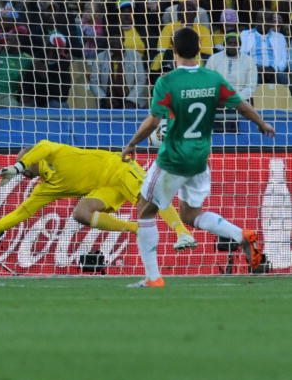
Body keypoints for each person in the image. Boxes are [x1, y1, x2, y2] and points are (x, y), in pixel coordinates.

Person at [121, 27, 275, 288]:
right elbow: (241, 105)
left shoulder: (167, 82)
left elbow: (153, 120)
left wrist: (132, 143)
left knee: (145, 210)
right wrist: (262, 124)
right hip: (200, 160)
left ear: (174, 50)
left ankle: (153, 278)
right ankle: (241, 235)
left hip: (172, 160)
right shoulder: (213, 78)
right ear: (200, 50)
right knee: (191, 215)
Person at [0, 139, 197, 253]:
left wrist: (18, 167)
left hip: (119, 168)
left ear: (32, 159)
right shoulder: (46, 188)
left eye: (25, 160)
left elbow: (43, 145)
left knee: (151, 199)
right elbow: (23, 212)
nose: (22, 166)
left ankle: (182, 233)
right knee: (81, 213)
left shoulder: (54, 153)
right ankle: (137, 229)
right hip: (105, 187)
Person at [206, 32, 257, 132]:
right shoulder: (214, 59)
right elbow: (208, 82)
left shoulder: (249, 61)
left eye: (235, 43)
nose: (233, 46)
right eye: (230, 43)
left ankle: (233, 136)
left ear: (240, 45)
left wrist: (235, 97)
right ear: (224, 45)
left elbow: (251, 86)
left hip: (241, 98)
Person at [89, 33, 147, 109]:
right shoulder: (100, 57)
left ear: (122, 39)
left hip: (133, 101)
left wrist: (131, 100)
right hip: (108, 102)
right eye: (112, 38)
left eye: (117, 38)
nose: (115, 41)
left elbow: (141, 80)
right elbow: (94, 82)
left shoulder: (134, 55)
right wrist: (103, 98)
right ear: (108, 41)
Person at [240, 11, 289, 85]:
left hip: (273, 71)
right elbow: (241, 56)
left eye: (268, 19)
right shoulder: (245, 34)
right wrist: (254, 68)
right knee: (253, 79)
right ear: (256, 21)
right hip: (253, 70)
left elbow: (284, 59)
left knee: (283, 79)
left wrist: (274, 69)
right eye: (261, 19)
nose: (264, 22)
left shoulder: (279, 37)